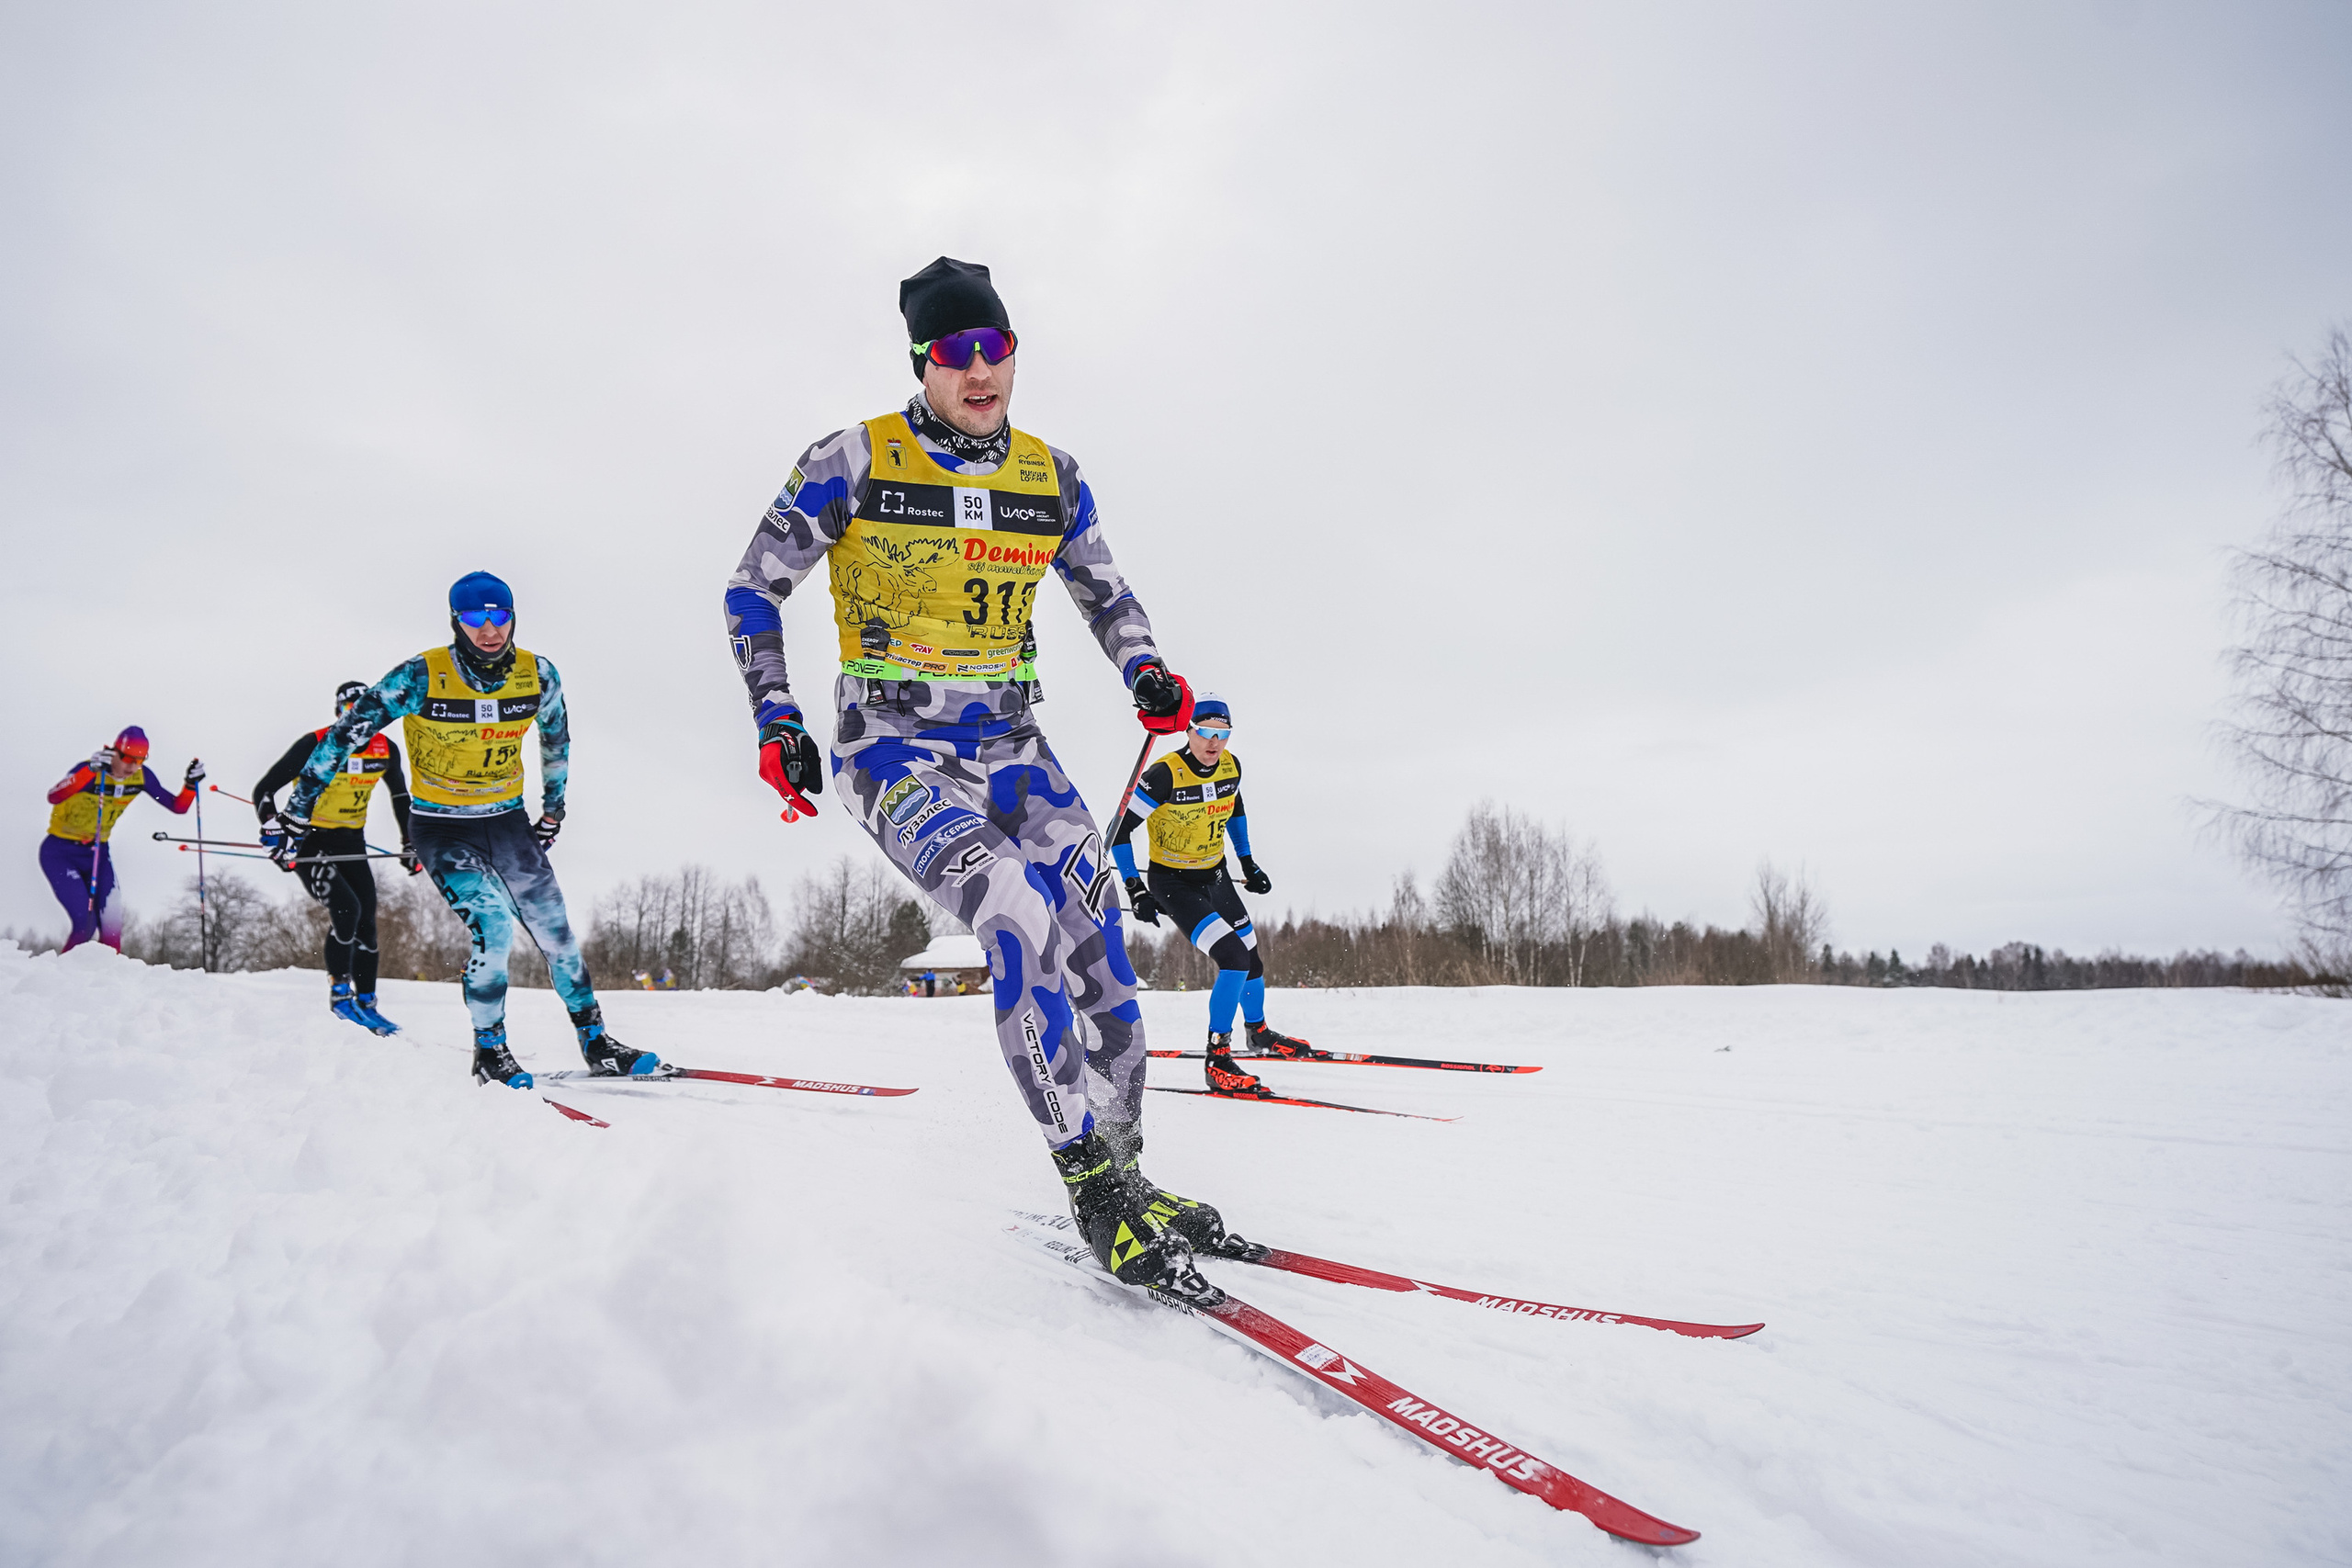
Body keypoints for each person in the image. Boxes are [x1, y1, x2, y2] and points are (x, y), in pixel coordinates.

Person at [723, 256, 1230, 1297]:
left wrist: (1144, 671)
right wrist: (776, 715)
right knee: (1010, 909)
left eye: (994, 346)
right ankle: (1088, 1183)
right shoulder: (854, 457)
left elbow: (1107, 593)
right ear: (922, 362)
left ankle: (1128, 1171)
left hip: (1012, 746)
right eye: (954, 352)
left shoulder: (1051, 476)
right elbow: (750, 590)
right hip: (892, 746)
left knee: (1099, 942)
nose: (978, 367)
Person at [277, 571, 658, 1089]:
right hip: (442, 828)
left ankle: (597, 1043)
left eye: (499, 616)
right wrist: (298, 810)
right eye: (475, 618)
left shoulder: (538, 675)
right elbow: (345, 736)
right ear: (456, 620)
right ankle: (491, 1050)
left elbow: (556, 741)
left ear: (513, 616)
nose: (489, 630)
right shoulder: (419, 676)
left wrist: (554, 810)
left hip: (506, 824)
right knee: (494, 926)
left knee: (558, 936)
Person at [1110, 694, 1318, 1092]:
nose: (1213, 743)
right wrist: (1135, 888)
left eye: (1222, 734)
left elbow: (1234, 808)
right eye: (1205, 732)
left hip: (1216, 876)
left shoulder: (1230, 766)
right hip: (1173, 883)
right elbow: (1120, 832)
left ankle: (1257, 1033)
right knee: (1233, 959)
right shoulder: (1164, 775)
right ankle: (1217, 1057)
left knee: (1252, 960)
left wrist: (1248, 863)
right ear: (1189, 730)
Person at [254, 682, 420, 1035]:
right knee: (346, 909)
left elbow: (400, 797)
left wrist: (410, 840)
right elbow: (264, 790)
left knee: (368, 922)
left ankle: (367, 1002)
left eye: (367, 711)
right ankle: (340, 996)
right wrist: (272, 829)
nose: (359, 719)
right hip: (309, 840)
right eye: (350, 711)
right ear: (339, 713)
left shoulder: (385, 749)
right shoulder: (316, 743)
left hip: (349, 840)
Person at [40, 728, 202, 953]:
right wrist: (89, 771)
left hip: (98, 853)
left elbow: (178, 806)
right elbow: (54, 795)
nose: (132, 767)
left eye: (140, 760)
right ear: (114, 751)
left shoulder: (141, 776)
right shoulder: (91, 769)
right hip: (60, 852)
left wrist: (191, 785)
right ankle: (62, 981)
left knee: (112, 930)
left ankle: (107, 983)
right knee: (85, 925)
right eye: (127, 759)